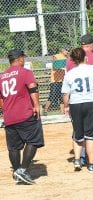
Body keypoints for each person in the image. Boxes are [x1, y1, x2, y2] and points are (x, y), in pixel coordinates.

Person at [62, 47, 93, 172]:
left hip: (76, 104)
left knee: (78, 135)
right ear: (86, 58)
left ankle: (77, 160)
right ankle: (91, 164)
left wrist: (66, 106)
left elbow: (65, 94)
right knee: (90, 136)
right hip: (92, 103)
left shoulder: (70, 73)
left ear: (73, 60)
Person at [0, 49, 44, 184]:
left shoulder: (2, 76)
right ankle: (22, 170)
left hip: (9, 116)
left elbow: (1, 98)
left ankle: (17, 172)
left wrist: (5, 109)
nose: (23, 60)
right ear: (19, 59)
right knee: (34, 140)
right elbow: (32, 88)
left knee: (13, 147)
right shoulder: (25, 72)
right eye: (23, 58)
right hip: (25, 113)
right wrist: (36, 105)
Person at [43, 48, 68, 115]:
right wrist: (62, 66)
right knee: (52, 95)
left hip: (62, 80)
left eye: (67, 50)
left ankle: (63, 112)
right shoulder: (56, 56)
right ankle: (45, 110)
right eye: (66, 50)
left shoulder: (66, 58)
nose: (67, 51)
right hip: (55, 80)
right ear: (62, 50)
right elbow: (55, 65)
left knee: (61, 96)